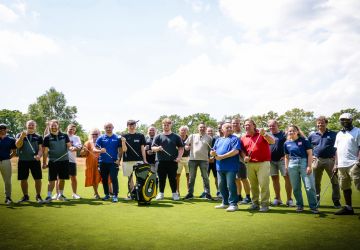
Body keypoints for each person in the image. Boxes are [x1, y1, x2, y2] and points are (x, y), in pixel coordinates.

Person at [241, 119, 275, 212]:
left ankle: (264, 204)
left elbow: (272, 142)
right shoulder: (243, 137)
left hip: (263, 163)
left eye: (249, 125)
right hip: (250, 164)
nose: (247, 126)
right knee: (253, 185)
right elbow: (242, 151)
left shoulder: (261, 133)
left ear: (254, 126)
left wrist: (265, 134)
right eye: (245, 125)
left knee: (264, 184)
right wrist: (244, 157)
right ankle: (255, 203)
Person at [284, 124, 318, 213]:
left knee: (309, 186)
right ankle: (299, 205)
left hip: (304, 163)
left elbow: (310, 154)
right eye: (290, 131)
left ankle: (313, 206)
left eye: (293, 130)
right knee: (295, 187)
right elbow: (286, 157)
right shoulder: (286, 143)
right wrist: (286, 168)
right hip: (292, 165)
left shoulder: (304, 140)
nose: (291, 132)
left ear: (297, 131)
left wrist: (309, 166)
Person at [308, 116, 341, 208]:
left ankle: (336, 200)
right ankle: (316, 200)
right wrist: (312, 156)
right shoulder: (312, 135)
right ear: (316, 124)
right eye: (318, 123)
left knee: (335, 181)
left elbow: (338, 147)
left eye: (322, 123)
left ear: (326, 123)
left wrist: (337, 158)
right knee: (316, 182)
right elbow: (308, 147)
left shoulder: (334, 134)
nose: (320, 124)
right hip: (317, 160)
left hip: (330, 160)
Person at [210, 122, 241, 212]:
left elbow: (235, 151)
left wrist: (221, 157)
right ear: (222, 130)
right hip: (219, 167)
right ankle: (225, 202)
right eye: (227, 127)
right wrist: (212, 154)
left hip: (231, 166)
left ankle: (233, 204)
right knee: (221, 185)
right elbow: (213, 151)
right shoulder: (218, 140)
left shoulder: (235, 139)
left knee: (230, 185)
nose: (229, 129)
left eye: (230, 127)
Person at [333, 113, 360, 215]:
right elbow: (337, 150)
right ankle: (348, 208)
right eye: (342, 120)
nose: (344, 122)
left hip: (354, 164)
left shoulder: (358, 131)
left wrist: (358, 163)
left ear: (351, 120)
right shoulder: (339, 134)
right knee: (345, 187)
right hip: (341, 165)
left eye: (346, 120)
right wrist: (336, 164)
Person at [152, 118, 184, 201]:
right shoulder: (158, 136)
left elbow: (181, 148)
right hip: (160, 161)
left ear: (171, 125)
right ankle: (161, 193)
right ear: (162, 126)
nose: (166, 126)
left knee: (172, 178)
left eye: (168, 125)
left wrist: (179, 157)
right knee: (161, 178)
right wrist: (158, 148)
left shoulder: (176, 136)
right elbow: (153, 148)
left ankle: (174, 194)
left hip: (172, 161)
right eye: (164, 125)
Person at [42, 119, 71, 202]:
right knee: (51, 180)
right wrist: (44, 163)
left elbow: (69, 146)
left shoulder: (64, 135)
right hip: (53, 161)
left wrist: (72, 148)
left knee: (62, 178)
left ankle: (60, 195)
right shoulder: (47, 137)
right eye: (52, 125)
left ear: (58, 126)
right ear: (49, 126)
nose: (53, 127)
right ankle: (49, 196)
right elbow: (45, 151)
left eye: (55, 125)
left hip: (64, 161)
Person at [15, 120, 44, 203]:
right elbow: (17, 145)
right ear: (26, 125)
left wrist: (39, 155)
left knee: (38, 179)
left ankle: (38, 196)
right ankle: (25, 196)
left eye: (32, 125)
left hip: (35, 161)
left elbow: (40, 149)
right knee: (23, 179)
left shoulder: (38, 137)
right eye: (29, 125)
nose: (31, 126)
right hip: (23, 160)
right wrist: (21, 137)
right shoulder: (19, 134)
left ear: (35, 126)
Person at [94, 122, 122, 203]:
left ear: (113, 127)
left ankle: (115, 195)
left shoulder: (117, 137)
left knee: (114, 178)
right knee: (104, 179)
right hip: (103, 162)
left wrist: (119, 159)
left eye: (110, 127)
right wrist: (100, 150)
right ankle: (107, 195)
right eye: (107, 127)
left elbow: (120, 150)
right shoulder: (101, 138)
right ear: (104, 128)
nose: (108, 129)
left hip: (113, 162)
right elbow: (94, 149)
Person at [268, 119, 294, 206]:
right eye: (270, 126)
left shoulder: (284, 134)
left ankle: (289, 199)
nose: (271, 127)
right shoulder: (267, 135)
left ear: (277, 125)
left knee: (287, 178)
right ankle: (278, 198)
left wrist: (287, 155)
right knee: (274, 179)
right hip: (271, 161)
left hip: (283, 160)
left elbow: (291, 144)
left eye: (273, 125)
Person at [183, 123, 212, 200]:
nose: (202, 128)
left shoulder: (209, 138)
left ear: (205, 128)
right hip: (192, 160)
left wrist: (211, 157)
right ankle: (190, 193)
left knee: (205, 177)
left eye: (203, 127)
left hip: (204, 160)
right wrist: (186, 147)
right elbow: (185, 145)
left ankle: (207, 193)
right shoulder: (192, 136)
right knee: (191, 177)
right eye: (200, 127)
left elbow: (211, 150)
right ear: (198, 128)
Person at [121, 120, 147, 200]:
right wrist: (123, 142)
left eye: (133, 125)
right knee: (130, 178)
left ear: (136, 126)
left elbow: (143, 149)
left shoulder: (140, 136)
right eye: (130, 125)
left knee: (140, 178)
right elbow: (124, 150)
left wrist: (145, 160)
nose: (132, 127)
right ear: (127, 126)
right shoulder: (124, 136)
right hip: (127, 160)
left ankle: (139, 194)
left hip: (139, 160)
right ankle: (131, 195)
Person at [232, 118, 252, 204]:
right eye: (233, 123)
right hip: (233, 161)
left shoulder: (244, 134)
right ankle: (239, 196)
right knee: (236, 179)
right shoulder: (231, 135)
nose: (235, 125)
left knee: (244, 178)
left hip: (241, 161)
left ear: (240, 124)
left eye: (237, 123)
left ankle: (248, 197)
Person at [80, 128, 102, 199]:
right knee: (94, 178)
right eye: (93, 134)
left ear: (99, 134)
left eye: (96, 134)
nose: (94, 135)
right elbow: (82, 154)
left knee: (105, 177)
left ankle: (110, 192)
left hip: (102, 162)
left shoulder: (102, 141)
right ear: (90, 135)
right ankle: (96, 193)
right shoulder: (87, 142)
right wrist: (84, 150)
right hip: (91, 163)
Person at [0, 123, 16, 204]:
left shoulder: (11, 140)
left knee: (7, 181)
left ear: (7, 129)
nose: (2, 130)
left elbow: (14, 152)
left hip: (6, 161)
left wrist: (7, 158)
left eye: (4, 129)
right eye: (1, 128)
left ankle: (8, 197)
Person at [67, 124, 82, 199]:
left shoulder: (76, 137)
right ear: (67, 128)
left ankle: (74, 194)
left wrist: (75, 148)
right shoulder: (62, 136)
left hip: (72, 160)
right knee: (59, 177)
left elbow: (79, 146)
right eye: (70, 129)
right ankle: (58, 194)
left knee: (73, 177)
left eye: (73, 129)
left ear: (75, 131)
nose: (71, 130)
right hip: (62, 160)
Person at [177, 125, 190, 195]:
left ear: (187, 131)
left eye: (184, 130)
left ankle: (189, 191)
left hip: (188, 158)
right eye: (182, 130)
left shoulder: (190, 138)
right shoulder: (177, 138)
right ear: (179, 131)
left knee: (188, 175)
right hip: (179, 159)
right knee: (177, 175)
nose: (183, 131)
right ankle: (177, 191)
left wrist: (189, 147)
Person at [206, 127, 219, 196]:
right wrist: (208, 158)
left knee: (216, 177)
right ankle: (206, 192)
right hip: (206, 161)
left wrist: (213, 157)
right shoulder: (204, 139)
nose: (210, 133)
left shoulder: (216, 139)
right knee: (206, 177)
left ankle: (219, 191)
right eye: (208, 131)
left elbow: (218, 149)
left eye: (211, 131)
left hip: (215, 161)